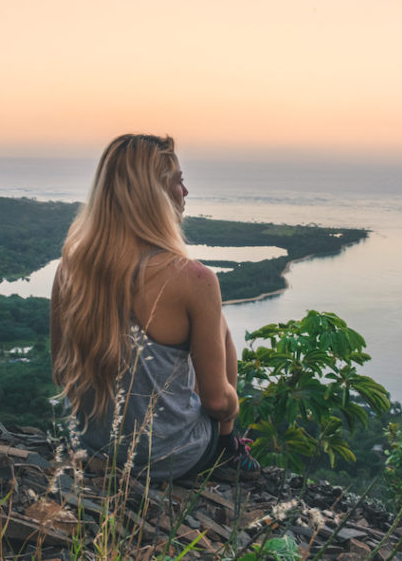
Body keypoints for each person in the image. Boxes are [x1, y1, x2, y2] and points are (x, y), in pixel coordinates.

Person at [50, 134, 258, 481]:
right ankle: (228, 447)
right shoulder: (195, 279)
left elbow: (61, 371)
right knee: (217, 324)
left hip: (94, 445)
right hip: (171, 457)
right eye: (179, 181)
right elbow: (217, 402)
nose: (185, 192)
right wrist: (231, 408)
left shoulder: (70, 270)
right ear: (155, 196)